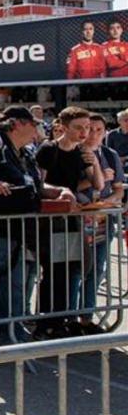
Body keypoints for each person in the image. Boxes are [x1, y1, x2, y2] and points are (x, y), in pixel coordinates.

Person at [0, 106, 73, 344]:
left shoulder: (25, 152)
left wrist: (59, 191)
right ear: (17, 123)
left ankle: (11, 330)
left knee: (13, 283)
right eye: (33, 123)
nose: (38, 128)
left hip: (15, 230)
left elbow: (33, 187)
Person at [33, 106, 99, 338]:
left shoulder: (81, 152)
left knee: (75, 268)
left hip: (71, 219)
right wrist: (61, 191)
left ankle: (62, 319)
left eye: (87, 128)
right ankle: (46, 322)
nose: (84, 132)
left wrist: (94, 160)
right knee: (54, 271)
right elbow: (38, 184)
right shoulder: (48, 149)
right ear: (63, 127)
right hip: (51, 220)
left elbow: (97, 184)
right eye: (79, 128)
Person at [72, 113, 124, 334]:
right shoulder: (72, 154)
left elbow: (119, 190)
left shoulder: (110, 155)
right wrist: (98, 177)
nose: (93, 134)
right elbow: (68, 186)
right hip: (75, 222)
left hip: (103, 222)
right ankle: (67, 316)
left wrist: (107, 201)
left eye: (98, 130)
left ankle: (86, 316)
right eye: (89, 129)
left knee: (97, 269)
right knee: (74, 270)